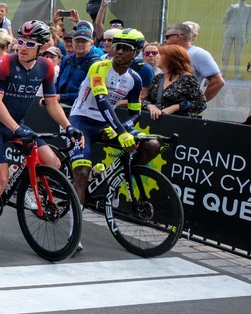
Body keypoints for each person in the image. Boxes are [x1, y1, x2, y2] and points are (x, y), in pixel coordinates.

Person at [0, 20, 82, 247]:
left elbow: (52, 104)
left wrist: (68, 126)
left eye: (29, 44)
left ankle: (31, 187)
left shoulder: (46, 67)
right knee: (1, 179)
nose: (22, 47)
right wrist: (15, 128)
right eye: (20, 42)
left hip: (17, 123)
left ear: (41, 47)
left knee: (53, 162)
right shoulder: (5, 62)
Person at [67, 28, 158, 208]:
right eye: (117, 47)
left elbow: (136, 112)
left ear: (136, 53)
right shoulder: (98, 67)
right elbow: (102, 102)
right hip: (82, 120)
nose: (120, 52)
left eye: (126, 48)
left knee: (152, 145)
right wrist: (121, 131)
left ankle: (117, 178)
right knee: (82, 173)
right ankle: (74, 231)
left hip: (108, 125)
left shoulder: (135, 79)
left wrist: (119, 127)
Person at [165, 21, 224, 103]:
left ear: (178, 36)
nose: (165, 40)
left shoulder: (198, 54)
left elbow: (218, 82)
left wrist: (197, 105)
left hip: (181, 111)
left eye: (167, 37)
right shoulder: (168, 53)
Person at [142, 44, 207, 119]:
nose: (156, 56)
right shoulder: (158, 78)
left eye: (160, 54)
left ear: (171, 59)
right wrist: (151, 106)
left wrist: (176, 107)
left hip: (178, 125)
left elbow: (201, 104)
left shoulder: (187, 79)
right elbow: (145, 100)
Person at [56, 22, 104, 105]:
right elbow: (57, 82)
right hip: (59, 103)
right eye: (77, 41)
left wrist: (62, 97)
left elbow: (90, 94)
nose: (80, 44)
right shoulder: (67, 59)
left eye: (84, 42)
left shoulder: (95, 64)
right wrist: (53, 97)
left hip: (81, 107)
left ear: (91, 43)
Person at [222, 0, 251, 79]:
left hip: (241, 33)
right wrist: (228, 12)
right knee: (226, 53)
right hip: (230, 31)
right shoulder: (232, 7)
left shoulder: (249, 8)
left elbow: (249, 22)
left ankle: (237, 74)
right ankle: (223, 72)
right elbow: (224, 21)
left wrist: (248, 34)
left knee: (238, 55)